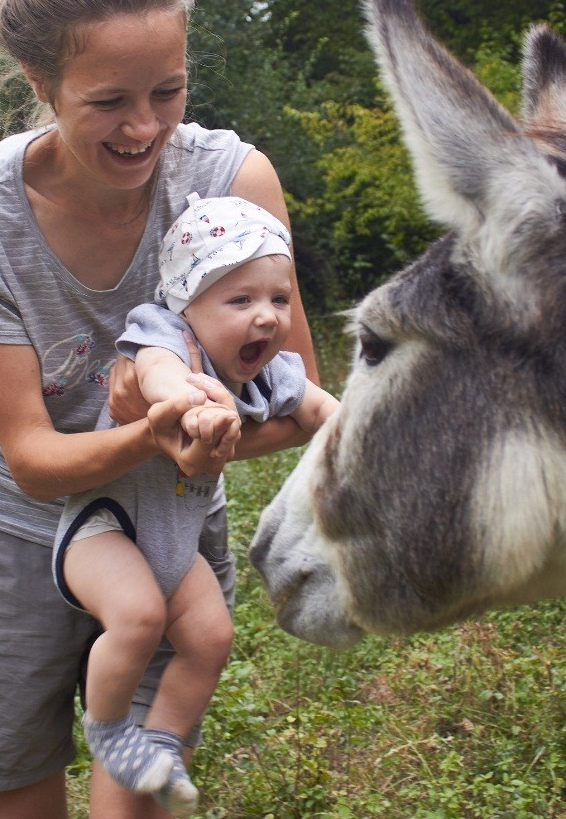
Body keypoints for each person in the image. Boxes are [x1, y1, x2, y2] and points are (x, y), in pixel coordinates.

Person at [0, 0, 322, 819]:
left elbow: (292, 400)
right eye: (109, 102)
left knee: (130, 795)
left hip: (168, 527)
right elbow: (30, 455)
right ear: (40, 81)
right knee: (13, 781)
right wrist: (157, 431)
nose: (146, 128)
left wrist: (196, 440)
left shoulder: (230, 183)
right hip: (14, 523)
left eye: (167, 92)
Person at [54, 195, 339, 815]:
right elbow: (155, 374)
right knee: (136, 618)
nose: (266, 317)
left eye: (279, 299)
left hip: (174, 543)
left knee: (211, 636)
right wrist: (191, 401)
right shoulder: (166, 332)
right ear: (188, 301)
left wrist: (365, 439)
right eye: (241, 300)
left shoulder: (269, 372)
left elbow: (321, 409)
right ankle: (108, 729)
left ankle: (162, 737)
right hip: (105, 527)